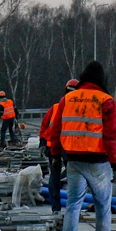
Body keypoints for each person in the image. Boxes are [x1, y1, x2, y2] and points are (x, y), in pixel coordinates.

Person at [49, 61, 116, 231]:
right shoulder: (106, 100)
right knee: (103, 207)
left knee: (73, 206)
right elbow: (111, 136)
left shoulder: (67, 99)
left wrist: (56, 156)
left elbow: (56, 131)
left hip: (73, 160)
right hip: (98, 162)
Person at [39, 79, 78, 213]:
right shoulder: (79, 109)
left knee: (55, 177)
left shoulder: (56, 107)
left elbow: (45, 126)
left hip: (54, 147)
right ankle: (72, 208)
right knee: (73, 178)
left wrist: (42, 142)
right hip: (69, 148)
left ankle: (56, 208)